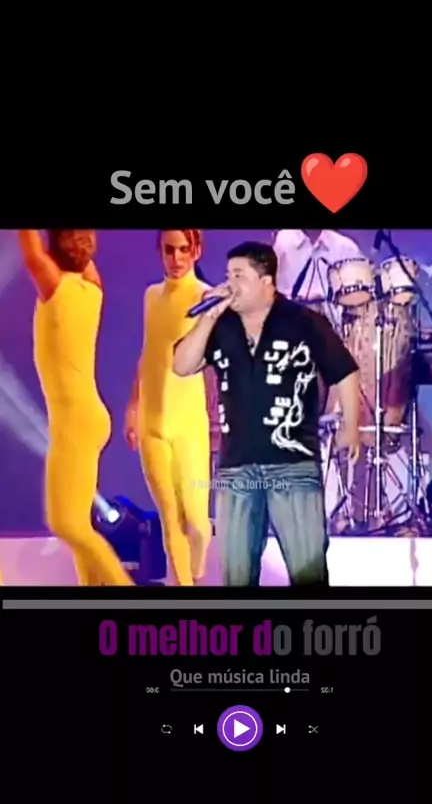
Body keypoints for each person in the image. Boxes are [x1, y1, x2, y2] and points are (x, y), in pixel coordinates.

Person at [173, 241, 361, 586]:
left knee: (308, 573)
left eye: (239, 276)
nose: (230, 283)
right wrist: (208, 317)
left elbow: (344, 370)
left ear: (266, 281)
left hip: (292, 464)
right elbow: (182, 365)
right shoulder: (221, 325)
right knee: (237, 575)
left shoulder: (303, 322)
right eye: (228, 275)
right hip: (236, 467)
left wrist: (351, 427)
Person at [18, 230, 134, 586]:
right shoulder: (93, 288)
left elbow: (31, 250)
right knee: (78, 523)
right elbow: (48, 252)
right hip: (89, 416)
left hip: (75, 423)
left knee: (65, 523)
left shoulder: (54, 286)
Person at [124, 230, 213, 586]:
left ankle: (194, 575)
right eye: (168, 250)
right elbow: (148, 355)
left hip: (189, 425)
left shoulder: (205, 297)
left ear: (196, 251)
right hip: (152, 423)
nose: (176, 259)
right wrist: (133, 406)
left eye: (183, 250)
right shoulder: (151, 296)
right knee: (170, 518)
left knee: (199, 524)